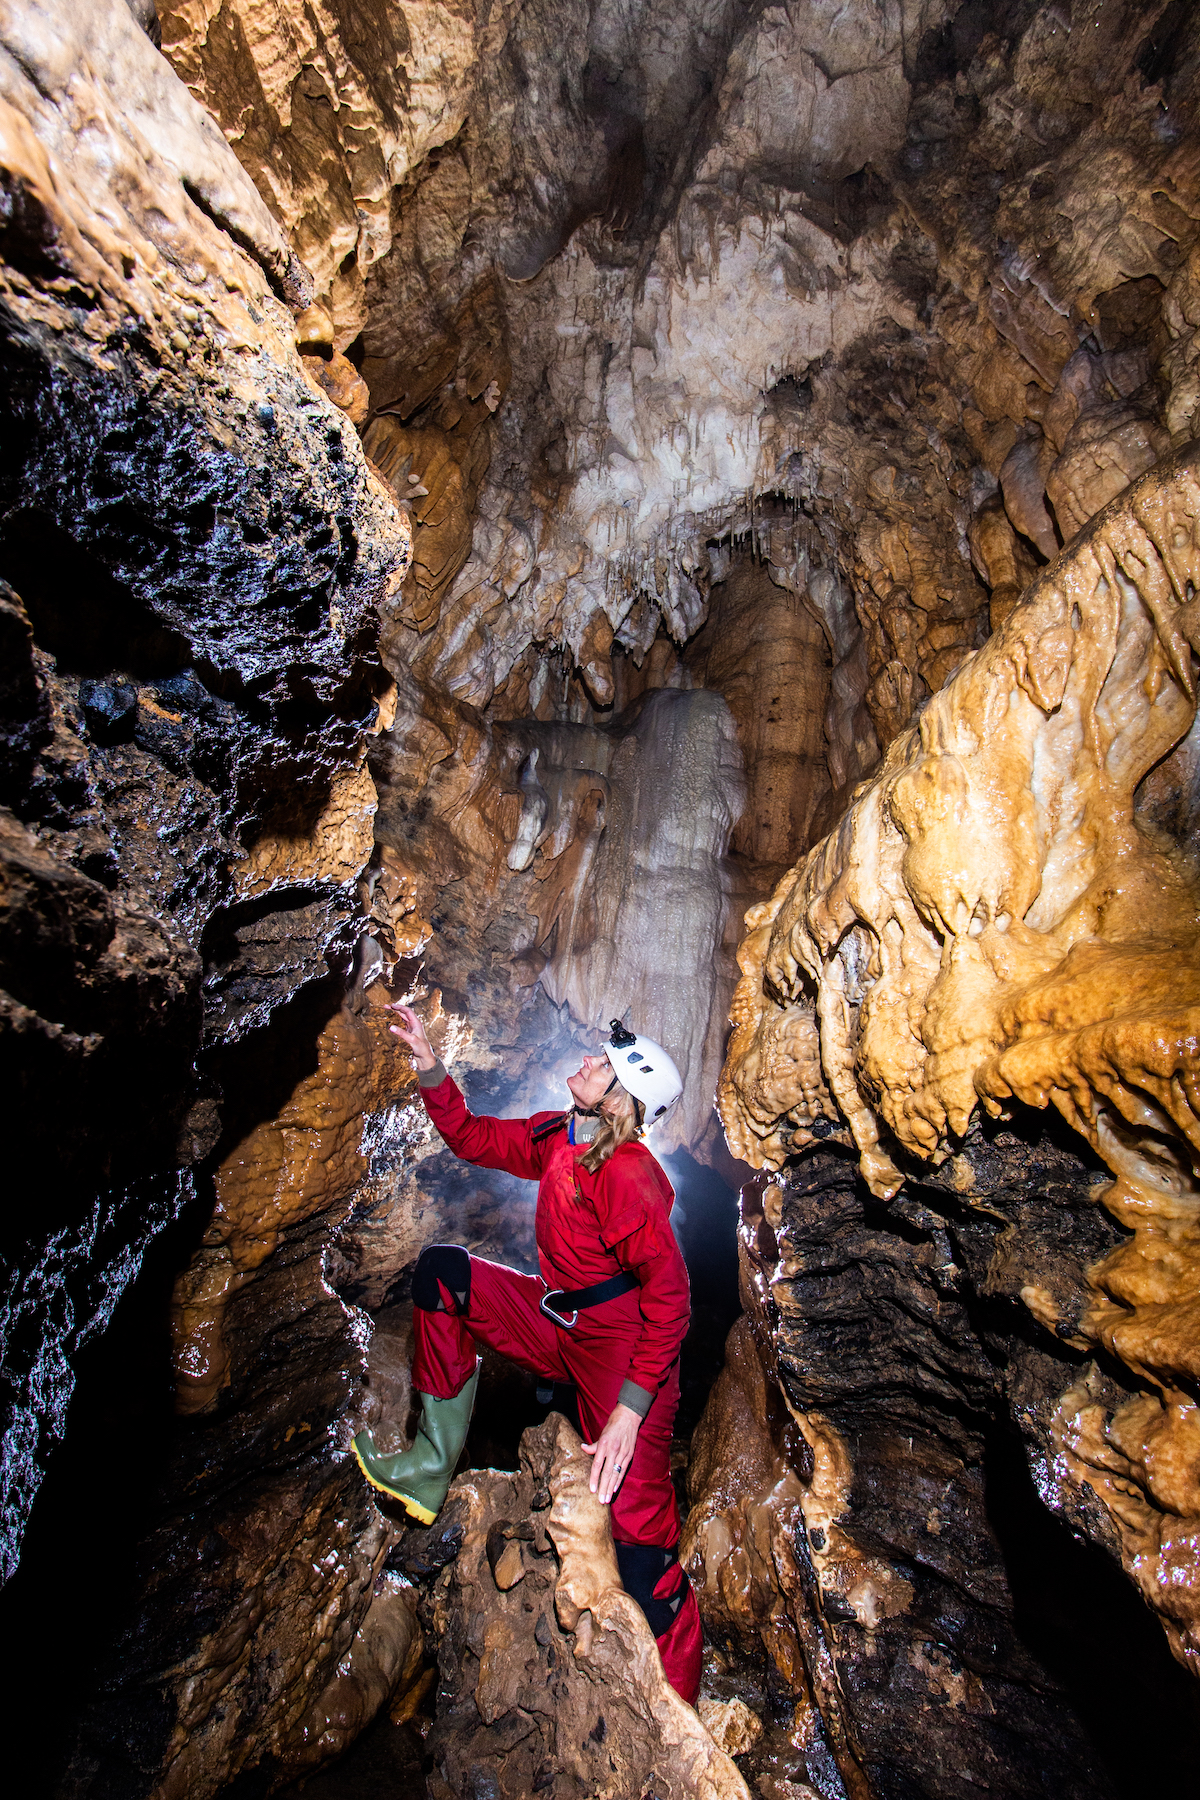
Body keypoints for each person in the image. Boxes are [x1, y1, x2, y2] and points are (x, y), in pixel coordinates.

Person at [351, 1008, 703, 1704]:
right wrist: (429, 1063)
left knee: (640, 1537)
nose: (588, 1062)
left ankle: (680, 1705)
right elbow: (472, 1137)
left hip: (624, 1349)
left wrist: (631, 1412)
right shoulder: (556, 1134)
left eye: (603, 1065)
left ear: (619, 1100)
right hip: (558, 1318)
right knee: (443, 1275)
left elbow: (672, 1300)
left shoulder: (630, 1175)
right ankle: (427, 1468)